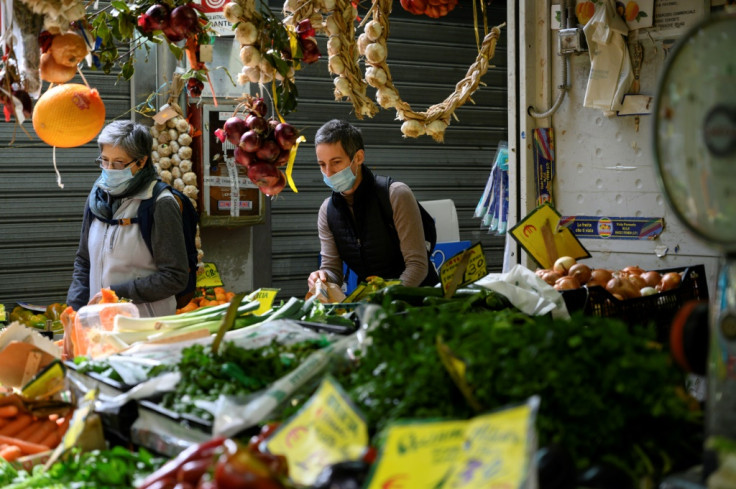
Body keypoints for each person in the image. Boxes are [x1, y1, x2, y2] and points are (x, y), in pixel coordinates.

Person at [66, 120, 189, 317]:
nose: (109, 168)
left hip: (145, 327)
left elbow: (174, 277)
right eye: (104, 160)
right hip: (100, 322)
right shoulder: (97, 197)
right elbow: (83, 261)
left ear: (141, 162)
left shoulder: (160, 203)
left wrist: (116, 294)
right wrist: (75, 310)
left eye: (119, 163)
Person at [308, 119, 438, 291]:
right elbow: (333, 270)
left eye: (336, 162)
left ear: (359, 157)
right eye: (322, 164)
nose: (328, 173)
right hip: (373, 306)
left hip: (419, 301)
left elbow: (417, 265)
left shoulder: (395, 195)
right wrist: (322, 278)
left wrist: (385, 299)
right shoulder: (327, 211)